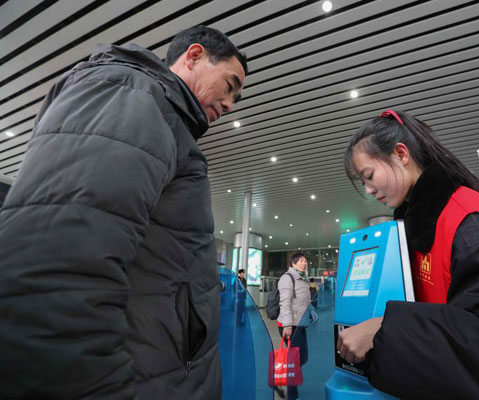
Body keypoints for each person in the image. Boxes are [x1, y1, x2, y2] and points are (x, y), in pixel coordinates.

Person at [0, 26, 247, 399]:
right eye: (229, 85)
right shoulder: (130, 94)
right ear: (193, 56)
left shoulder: (162, 118)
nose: (229, 104)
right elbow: (52, 279)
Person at [337, 110, 479, 399]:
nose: (369, 189)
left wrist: (388, 329)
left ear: (400, 154)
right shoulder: (421, 225)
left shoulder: (468, 223)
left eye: (369, 176)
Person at [277, 252, 312, 400]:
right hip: (290, 325)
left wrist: (312, 311)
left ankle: (284, 375)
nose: (304, 264)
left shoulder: (302, 278)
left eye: (305, 261)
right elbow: (285, 303)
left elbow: (304, 300)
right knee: (295, 360)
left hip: (300, 324)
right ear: (293, 263)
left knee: (302, 357)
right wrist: (287, 325)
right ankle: (292, 394)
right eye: (300, 261)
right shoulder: (287, 278)